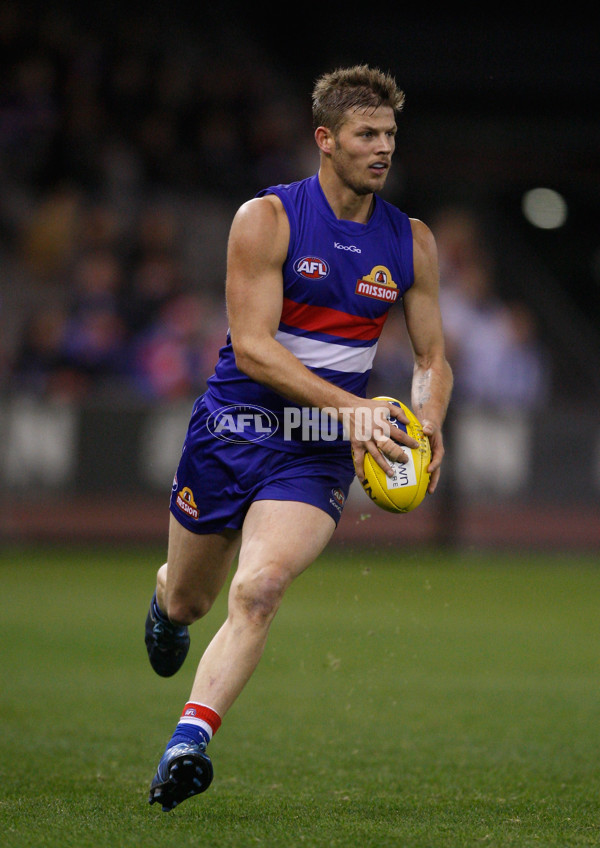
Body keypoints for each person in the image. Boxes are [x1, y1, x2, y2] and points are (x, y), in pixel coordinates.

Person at [145, 64, 453, 812]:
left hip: (316, 448)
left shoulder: (410, 241)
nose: (383, 148)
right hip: (235, 426)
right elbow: (251, 348)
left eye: (389, 135)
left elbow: (431, 359)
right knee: (191, 601)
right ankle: (163, 602)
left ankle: (190, 739)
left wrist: (427, 418)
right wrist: (350, 407)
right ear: (326, 139)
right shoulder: (268, 219)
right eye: (366, 135)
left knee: (260, 590)